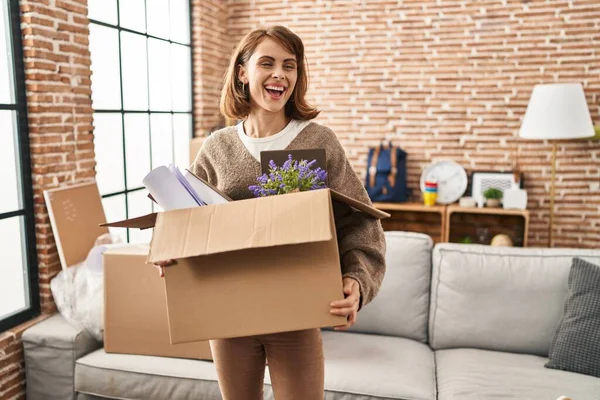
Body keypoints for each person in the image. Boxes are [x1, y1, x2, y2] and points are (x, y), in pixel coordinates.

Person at [156, 25, 386, 400]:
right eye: (267, 63)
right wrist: (169, 250)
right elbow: (186, 221)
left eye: (289, 65)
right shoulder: (217, 147)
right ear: (243, 73)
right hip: (229, 317)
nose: (280, 74)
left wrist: (357, 281)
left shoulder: (319, 141)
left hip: (297, 315)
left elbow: (361, 221)